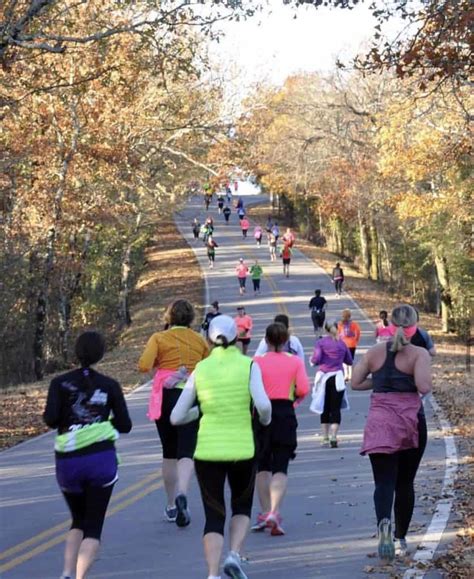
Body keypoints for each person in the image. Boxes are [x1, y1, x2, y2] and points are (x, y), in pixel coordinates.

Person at [170, 315, 271, 579]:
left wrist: (201, 412)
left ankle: (213, 574)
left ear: (208, 339)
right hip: (242, 450)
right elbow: (264, 406)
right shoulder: (249, 365)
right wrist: (264, 420)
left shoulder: (200, 369)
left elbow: (176, 416)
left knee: (213, 515)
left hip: (207, 451)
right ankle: (234, 555)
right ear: (237, 338)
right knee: (241, 507)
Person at [43, 331, 132, 579]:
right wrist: (103, 423)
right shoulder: (110, 385)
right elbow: (125, 425)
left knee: (77, 520)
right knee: (93, 527)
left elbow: (50, 420)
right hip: (100, 461)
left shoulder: (58, 384)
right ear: (101, 354)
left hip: (67, 462)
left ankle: (67, 573)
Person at [352, 304, 432, 562]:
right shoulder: (419, 353)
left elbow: (355, 382)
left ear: (391, 326)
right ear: (414, 325)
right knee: (405, 483)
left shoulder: (374, 352)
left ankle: (383, 524)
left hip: (380, 422)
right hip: (409, 422)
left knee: (383, 482)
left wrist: (381, 381)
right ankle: (400, 539)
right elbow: (423, 386)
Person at [138, 299, 209, 527]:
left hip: (166, 397)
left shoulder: (159, 338)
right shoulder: (199, 340)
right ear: (190, 318)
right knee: (186, 451)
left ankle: (170, 505)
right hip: (190, 394)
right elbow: (208, 366)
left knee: (168, 452)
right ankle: (183, 493)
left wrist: (162, 363)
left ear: (169, 317)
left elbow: (143, 365)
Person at [252, 322, 310, 535]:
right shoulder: (294, 362)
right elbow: (303, 388)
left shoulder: (256, 362)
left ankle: (264, 511)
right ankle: (275, 512)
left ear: (266, 340)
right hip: (285, 412)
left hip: (261, 413)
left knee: (262, 465)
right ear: (286, 341)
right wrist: (293, 401)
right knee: (281, 466)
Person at [310, 320, 352, 448]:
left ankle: (325, 437)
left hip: (324, 378)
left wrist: (313, 361)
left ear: (326, 330)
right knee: (335, 409)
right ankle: (334, 436)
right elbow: (349, 360)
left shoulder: (321, 343)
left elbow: (316, 359)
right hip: (338, 378)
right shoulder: (342, 344)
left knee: (325, 408)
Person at [337, 309, 361, 382]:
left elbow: (337, 334)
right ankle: (351, 375)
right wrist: (356, 340)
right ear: (350, 316)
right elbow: (357, 333)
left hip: (343, 344)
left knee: (344, 360)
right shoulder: (354, 324)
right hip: (352, 344)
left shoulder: (340, 324)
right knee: (351, 359)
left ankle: (346, 375)